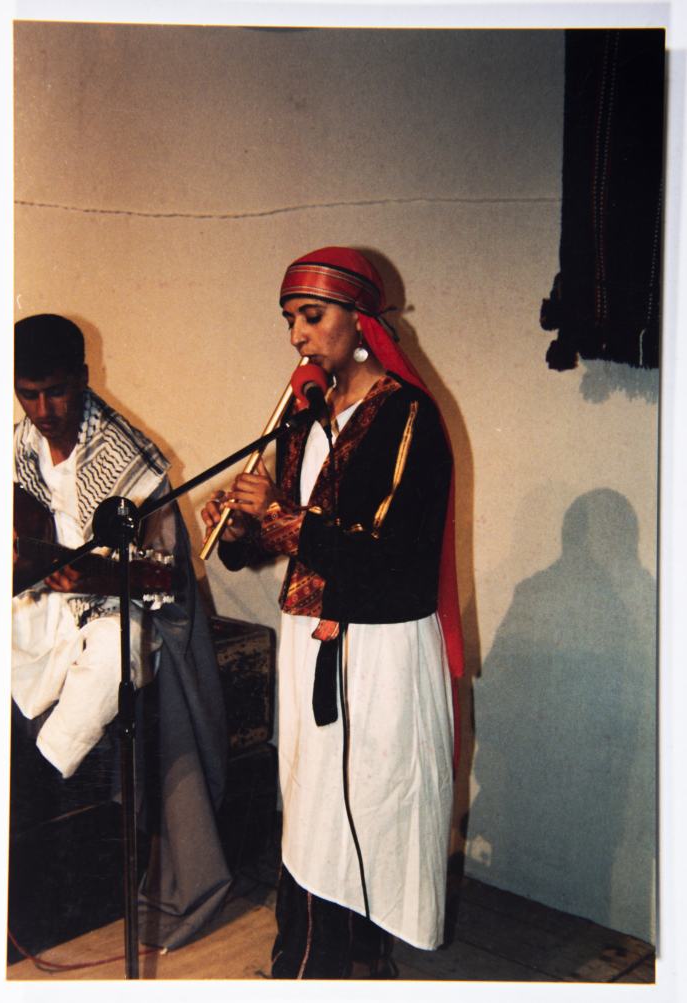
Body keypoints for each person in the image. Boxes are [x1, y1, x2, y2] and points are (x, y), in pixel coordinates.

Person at [201, 248, 465, 978]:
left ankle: (319, 965)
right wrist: (234, 524)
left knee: (359, 805)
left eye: (310, 317)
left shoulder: (409, 416)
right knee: (312, 798)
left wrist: (280, 516)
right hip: (308, 635)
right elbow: (261, 550)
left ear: (360, 321)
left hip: (377, 647)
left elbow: (385, 552)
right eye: (290, 319)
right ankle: (328, 962)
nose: (296, 336)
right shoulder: (302, 417)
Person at [12, 313, 230, 949]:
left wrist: (84, 577)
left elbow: (162, 575)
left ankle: (43, 776)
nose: (44, 408)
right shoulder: (18, 442)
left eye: (56, 390)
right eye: (28, 392)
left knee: (114, 660)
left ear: (82, 378)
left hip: (121, 604)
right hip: (51, 601)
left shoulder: (130, 459)